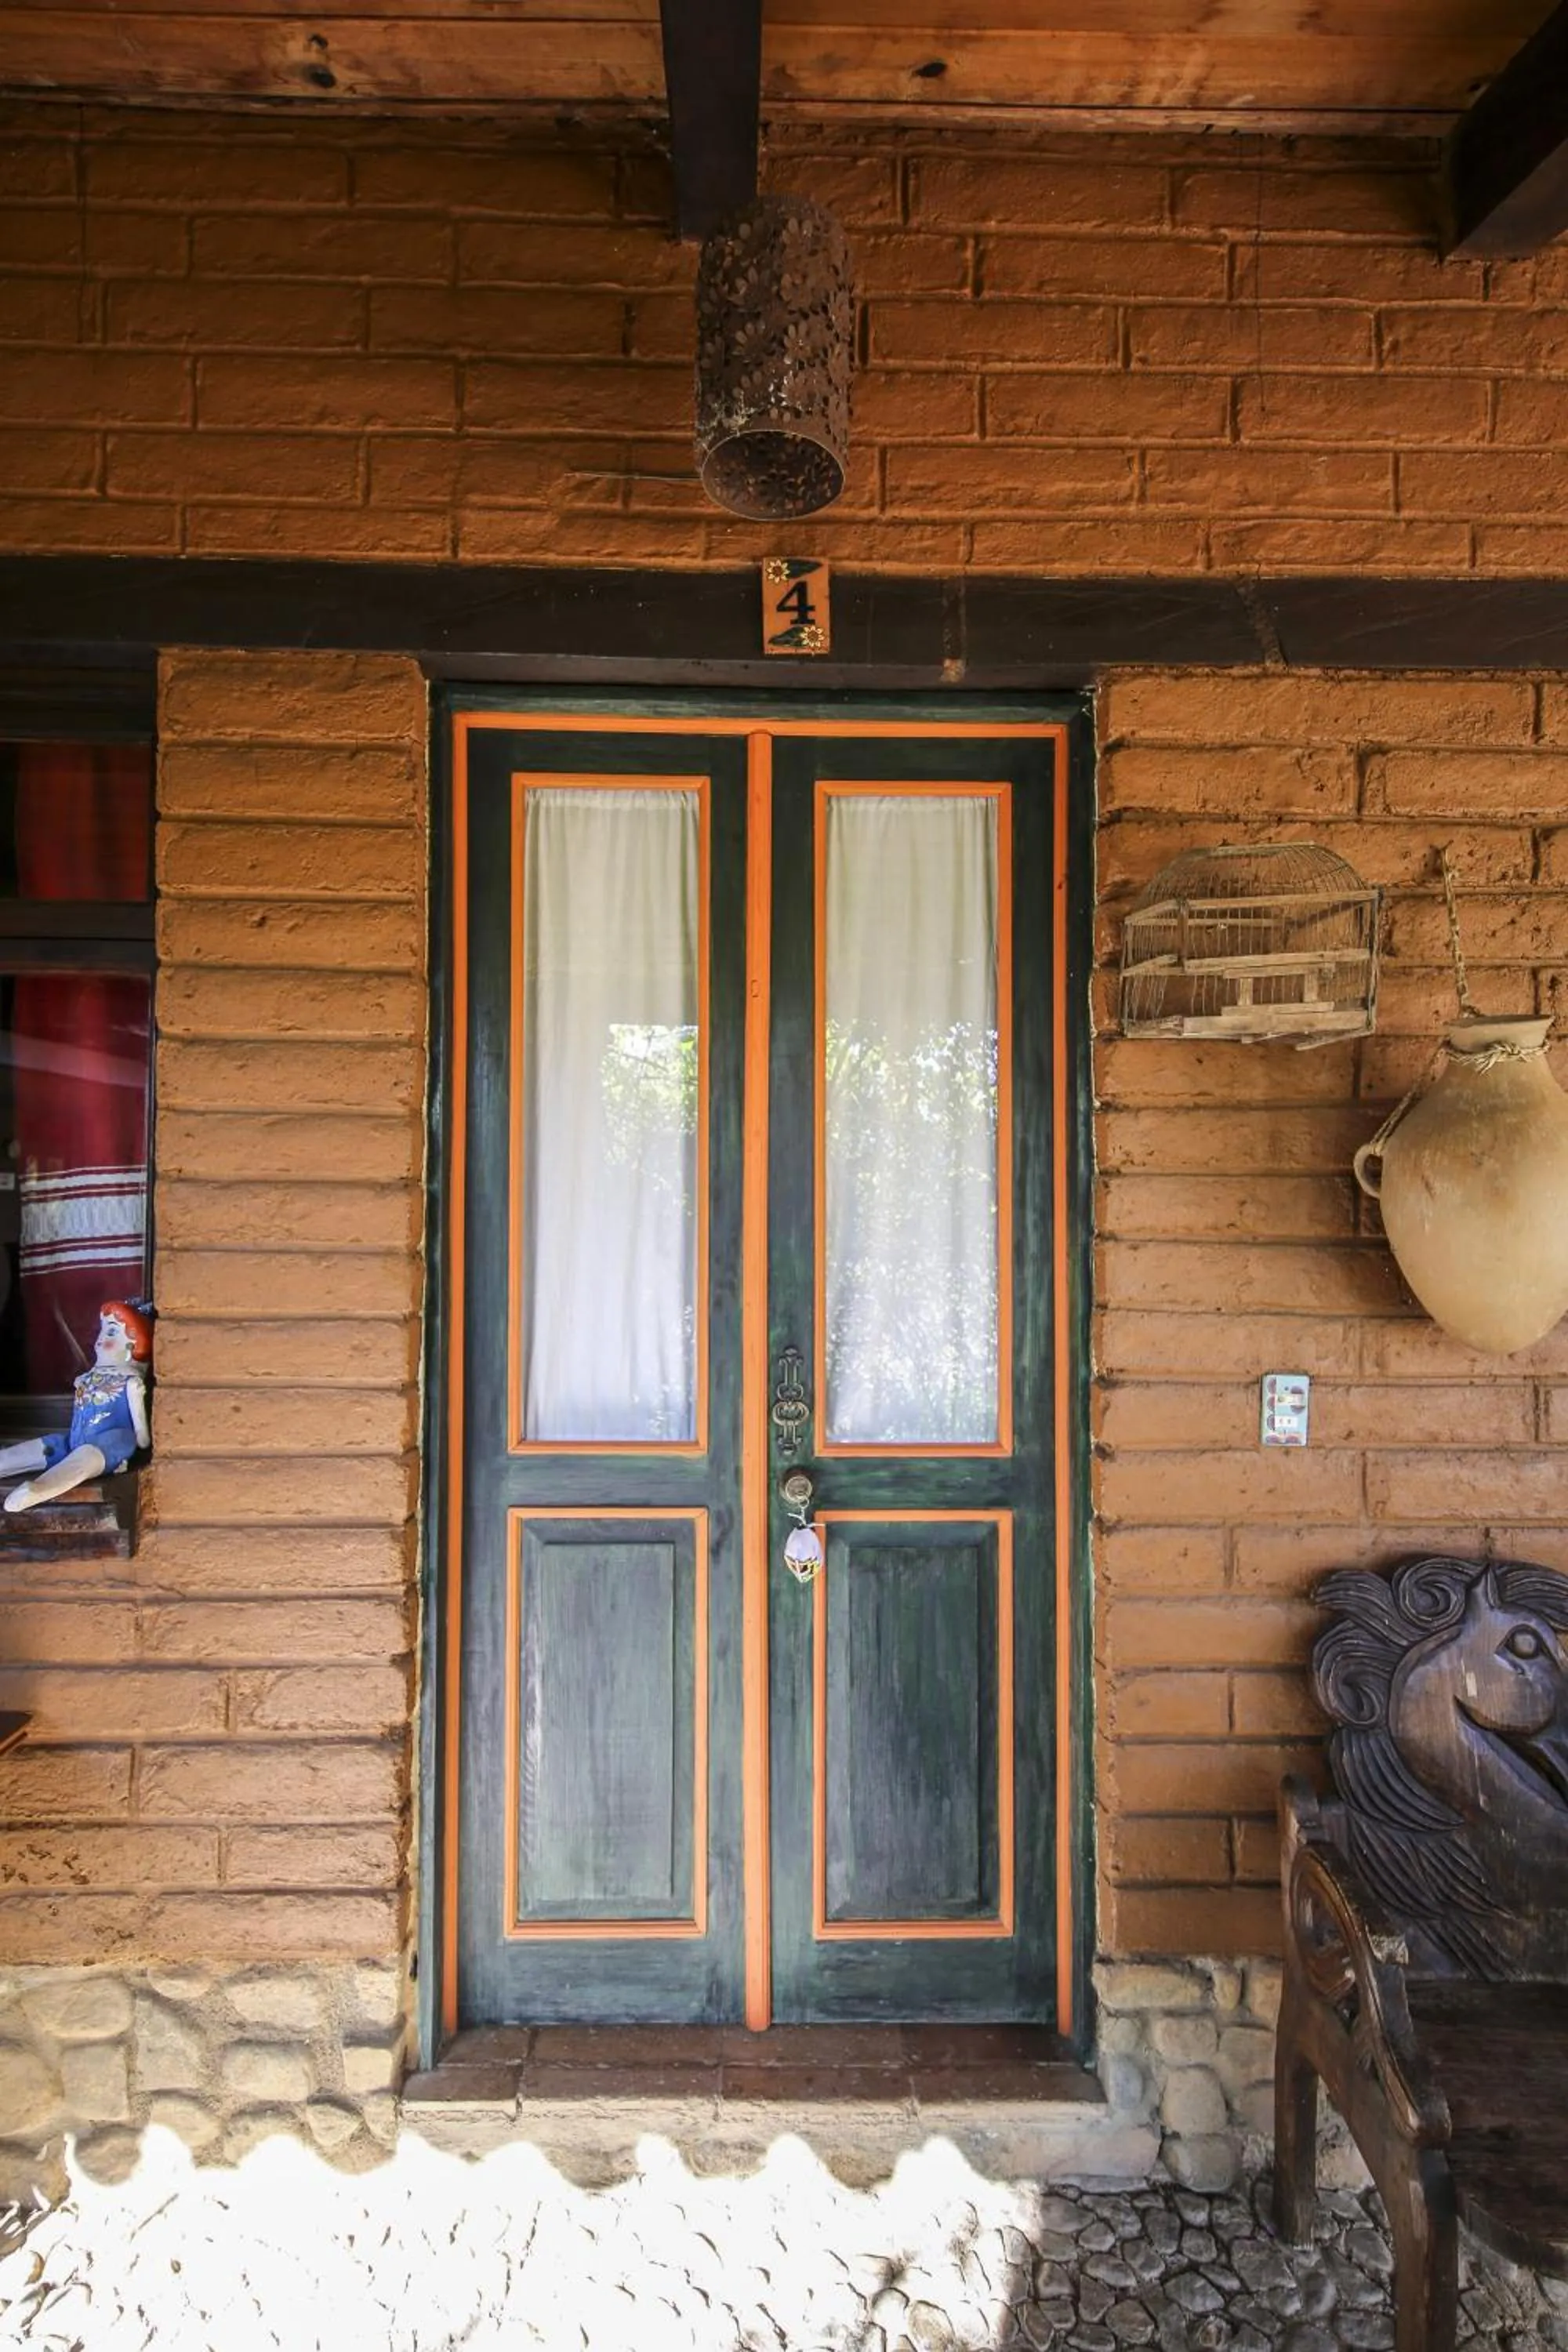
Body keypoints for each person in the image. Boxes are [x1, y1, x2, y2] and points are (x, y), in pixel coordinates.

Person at [0, 1298, 151, 1512]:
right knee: (44, 1447)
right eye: (102, 1331)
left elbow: (143, 1439)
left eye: (111, 1332)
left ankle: (38, 1489)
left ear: (133, 1344)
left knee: (86, 1457)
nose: (100, 1339)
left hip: (112, 1441)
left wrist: (139, 1441)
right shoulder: (87, 1378)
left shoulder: (130, 1381)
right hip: (76, 1441)